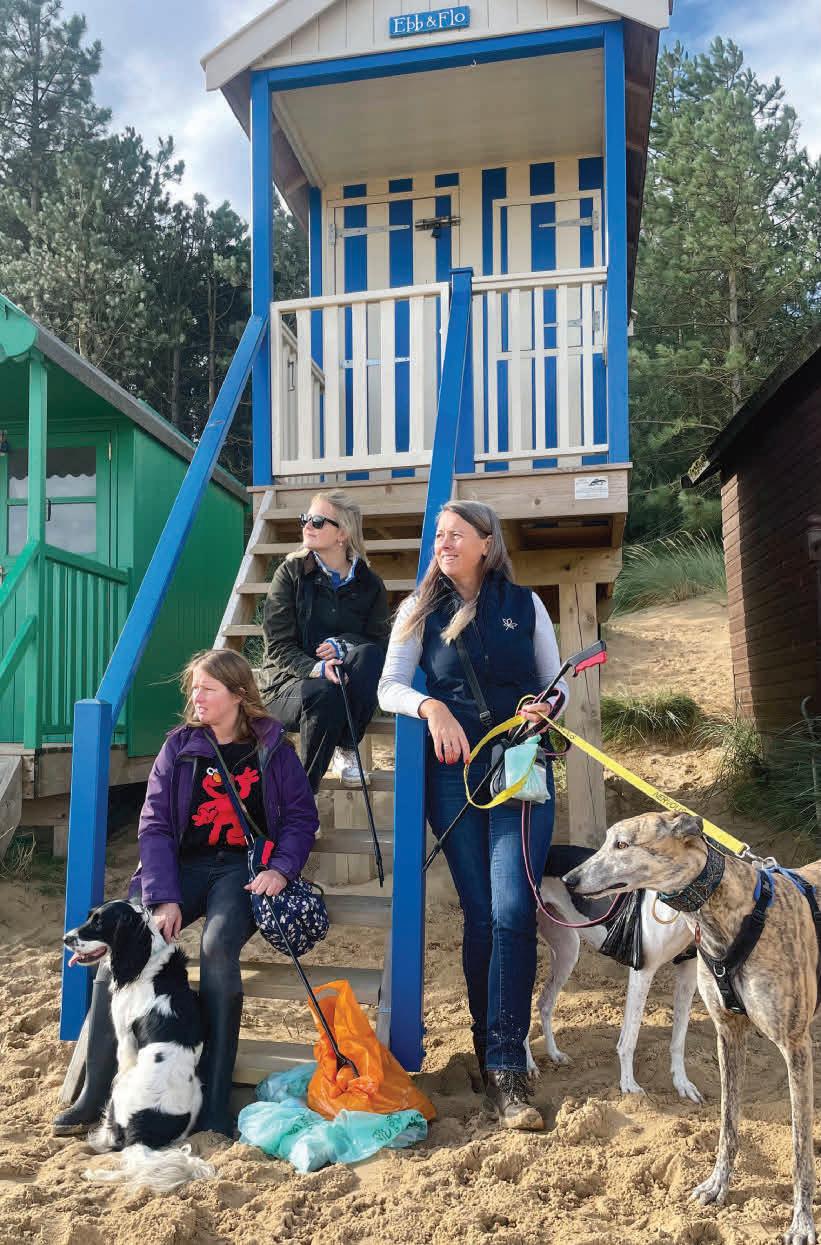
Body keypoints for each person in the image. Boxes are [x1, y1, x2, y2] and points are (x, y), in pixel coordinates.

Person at [54, 649, 319, 1139]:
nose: (197, 697)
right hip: (180, 867)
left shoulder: (273, 748)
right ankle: (94, 1094)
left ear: (238, 695)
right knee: (121, 943)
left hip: (241, 869)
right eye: (194, 688)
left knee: (217, 947)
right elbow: (154, 824)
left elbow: (302, 818)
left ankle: (214, 1103)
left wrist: (281, 869)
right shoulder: (179, 746)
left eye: (208, 689)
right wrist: (162, 896)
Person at [378, 501, 568, 1131]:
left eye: (456, 534)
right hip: (452, 778)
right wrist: (431, 708)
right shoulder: (419, 609)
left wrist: (546, 708)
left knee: (513, 909)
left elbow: (557, 682)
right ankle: (490, 1052)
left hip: (520, 769)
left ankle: (508, 1067)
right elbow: (388, 686)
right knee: (482, 914)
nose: (444, 543)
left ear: (488, 543)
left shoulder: (526, 604)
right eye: (439, 534)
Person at [258, 490, 389, 792]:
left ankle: (346, 746)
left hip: (341, 686)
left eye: (317, 521)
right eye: (305, 518)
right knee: (324, 691)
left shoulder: (370, 584)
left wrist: (345, 644)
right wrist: (316, 668)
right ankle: (305, 796)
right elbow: (277, 646)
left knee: (369, 655)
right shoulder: (290, 574)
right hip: (286, 686)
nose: (307, 525)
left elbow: (379, 641)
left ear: (343, 533)